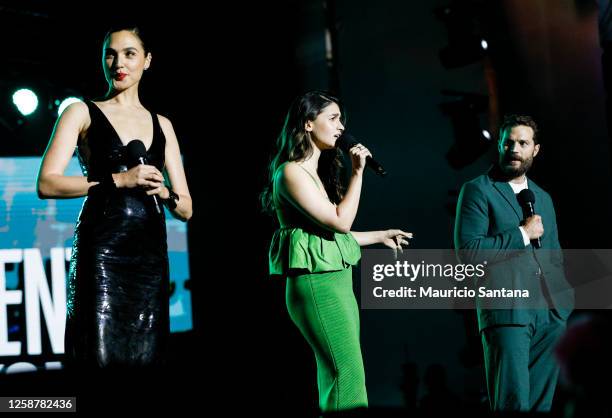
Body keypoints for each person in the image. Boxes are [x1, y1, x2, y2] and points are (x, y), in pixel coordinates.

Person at [37, 26, 192, 371]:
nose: (118, 62)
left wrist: (165, 191)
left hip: (150, 259)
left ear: (147, 61)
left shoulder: (163, 124)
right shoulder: (80, 112)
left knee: (147, 362)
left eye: (129, 53)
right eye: (111, 53)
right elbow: (47, 184)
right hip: (102, 251)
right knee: (99, 360)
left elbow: (186, 208)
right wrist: (118, 180)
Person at [261, 90, 412, 413]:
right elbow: (340, 223)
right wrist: (357, 172)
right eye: (332, 118)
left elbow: (325, 239)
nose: (341, 127)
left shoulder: (311, 173)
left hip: (335, 282)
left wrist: (380, 236)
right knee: (348, 375)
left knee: (339, 374)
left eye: (341, 119)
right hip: (319, 286)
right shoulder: (290, 173)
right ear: (307, 124)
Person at [454, 114, 573, 411]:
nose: (514, 148)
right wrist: (522, 233)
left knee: (540, 406)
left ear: (535, 149)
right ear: (499, 145)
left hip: (550, 315)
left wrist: (562, 305)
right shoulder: (478, 189)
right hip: (508, 311)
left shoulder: (543, 198)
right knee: (512, 402)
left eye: (523, 142)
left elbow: (554, 255)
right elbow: (469, 251)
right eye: (509, 142)